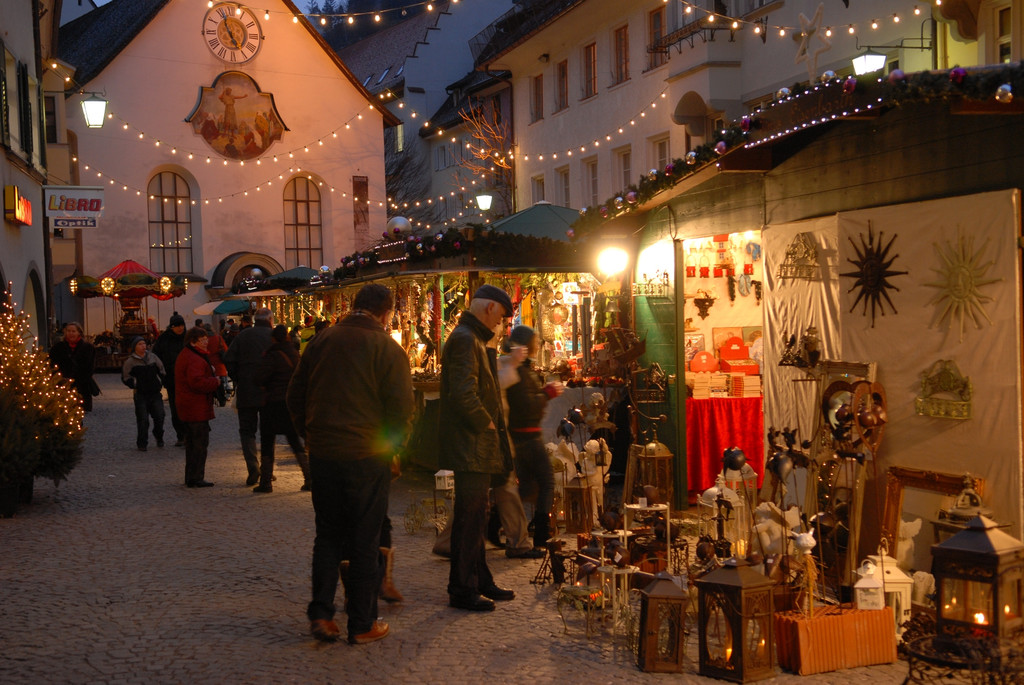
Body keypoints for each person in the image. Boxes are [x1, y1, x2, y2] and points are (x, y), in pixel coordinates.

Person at [287, 283, 414, 645]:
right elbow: (401, 410)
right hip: (366, 455)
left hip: (325, 453)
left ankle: (323, 615)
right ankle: (361, 622)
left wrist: (310, 433)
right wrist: (391, 449)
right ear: (386, 313)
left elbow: (295, 395)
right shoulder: (387, 349)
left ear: (355, 306)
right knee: (364, 538)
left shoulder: (322, 341)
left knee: (327, 534)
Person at [440, 284, 518, 612]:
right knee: (470, 517)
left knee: (477, 515)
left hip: (476, 446)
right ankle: (462, 588)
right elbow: (462, 391)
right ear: (489, 310)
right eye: (500, 317)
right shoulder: (463, 339)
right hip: (470, 445)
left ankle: (479, 578)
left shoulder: (473, 340)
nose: (500, 324)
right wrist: (484, 421)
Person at [502, 326, 562, 552]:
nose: (538, 345)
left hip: (522, 435)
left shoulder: (521, 370)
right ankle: (541, 531)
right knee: (546, 481)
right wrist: (547, 393)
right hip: (527, 436)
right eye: (535, 341)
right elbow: (527, 406)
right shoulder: (519, 372)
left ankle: (498, 519)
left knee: (527, 486)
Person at [254, 324, 310, 493]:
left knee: (267, 441)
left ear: (273, 338)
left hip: (273, 403)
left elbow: (260, 377)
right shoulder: (294, 353)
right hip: (289, 403)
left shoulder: (272, 355)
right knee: (294, 440)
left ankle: (266, 481)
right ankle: (309, 478)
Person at [224, 307, 274, 485]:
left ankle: (253, 467)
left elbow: (228, 359)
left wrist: (239, 378)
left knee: (247, 432)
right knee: (268, 433)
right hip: (269, 393)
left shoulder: (243, 336)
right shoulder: (275, 337)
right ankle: (267, 471)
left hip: (246, 391)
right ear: (270, 320)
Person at [175, 327, 220, 488]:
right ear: (193, 341)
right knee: (199, 444)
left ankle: (192, 476)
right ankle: (196, 477)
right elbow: (196, 382)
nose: (206, 342)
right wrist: (215, 382)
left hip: (191, 406)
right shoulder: (193, 358)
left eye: (206, 339)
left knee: (193, 444)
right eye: (203, 340)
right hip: (195, 408)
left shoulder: (188, 354)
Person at [121, 336, 166, 451]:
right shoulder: (130, 361)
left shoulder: (153, 357)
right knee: (143, 419)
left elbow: (161, 370)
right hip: (140, 394)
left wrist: (160, 381)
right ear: (134, 347)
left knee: (160, 416)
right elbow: (126, 377)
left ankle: (158, 435)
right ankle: (142, 443)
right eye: (140, 344)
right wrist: (134, 384)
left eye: (144, 344)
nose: (143, 346)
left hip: (155, 393)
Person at [153, 313, 187, 445]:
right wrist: (163, 375)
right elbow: (157, 358)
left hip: (187, 380)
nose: (180, 328)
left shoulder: (188, 338)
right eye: (177, 326)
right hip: (172, 380)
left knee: (187, 407)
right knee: (176, 408)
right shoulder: (163, 339)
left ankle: (188, 434)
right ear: (171, 327)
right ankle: (180, 434)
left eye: (182, 325)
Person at [49, 322, 97, 412]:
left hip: (81, 386)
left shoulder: (88, 348)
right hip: (62, 386)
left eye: (73, 331)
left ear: (79, 333)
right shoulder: (57, 348)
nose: (71, 333)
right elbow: (52, 365)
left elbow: (90, 368)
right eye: (68, 331)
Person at [203, 322, 230, 407]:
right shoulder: (218, 338)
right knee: (220, 385)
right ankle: (222, 400)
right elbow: (226, 350)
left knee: (209, 385)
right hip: (219, 366)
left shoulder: (203, 340)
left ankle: (211, 400)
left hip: (207, 366)